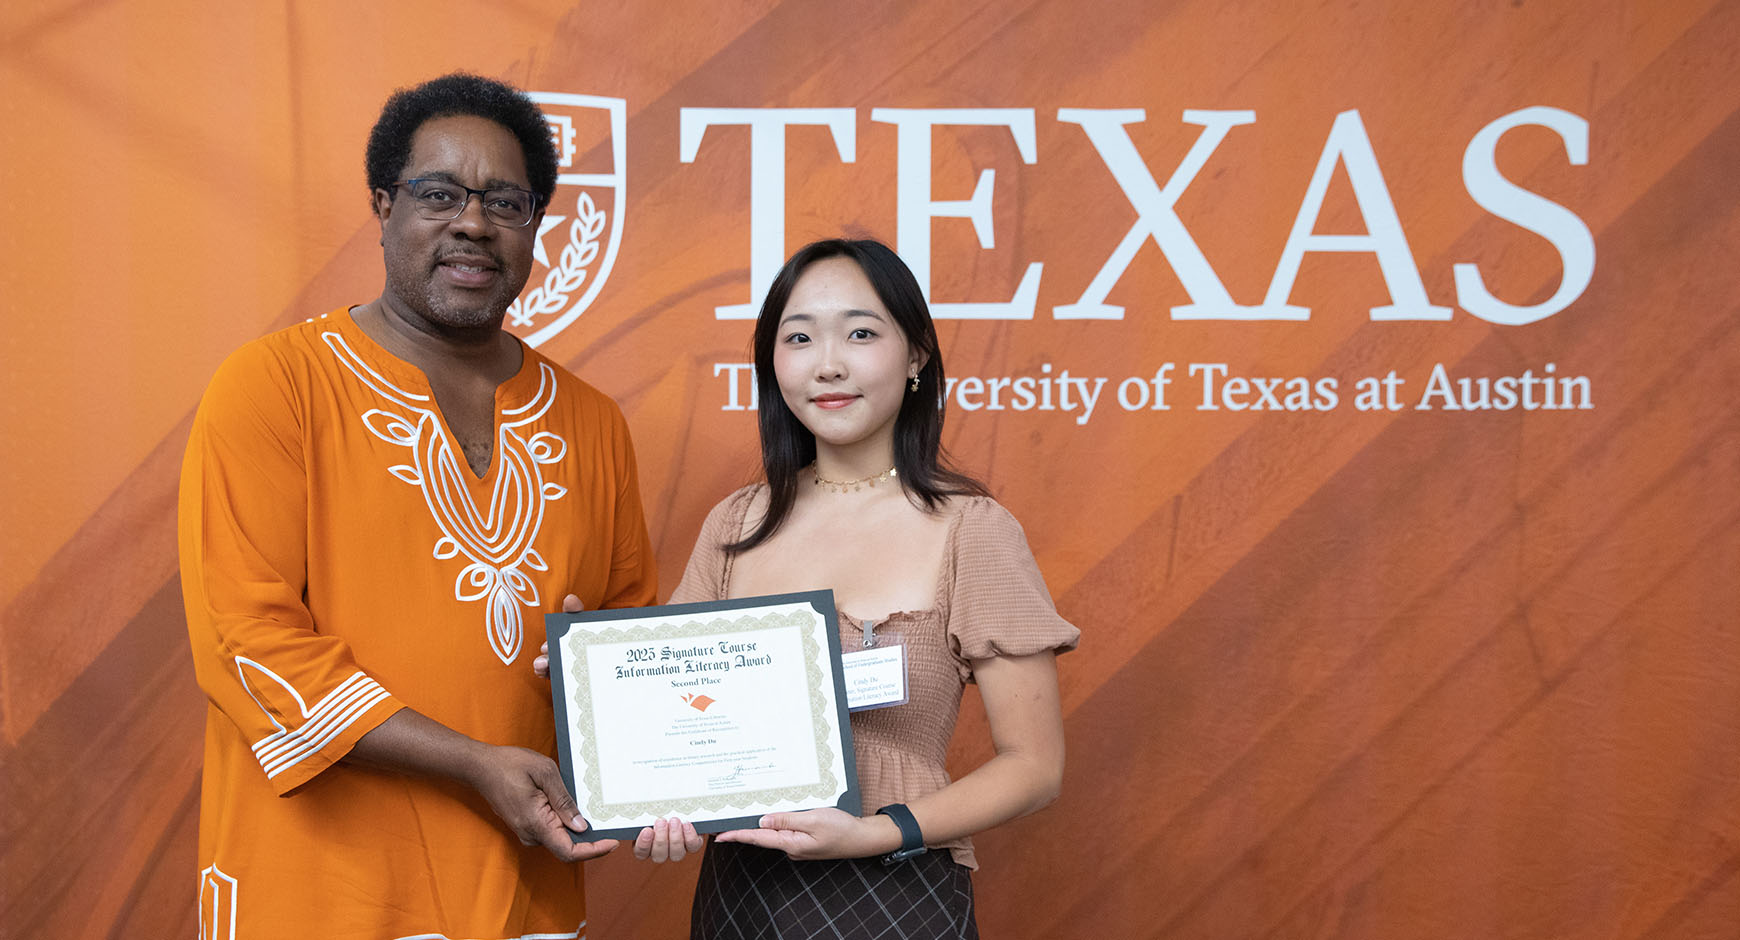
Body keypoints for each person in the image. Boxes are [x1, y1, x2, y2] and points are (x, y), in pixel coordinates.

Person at [178, 73, 656, 939]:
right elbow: (246, 643)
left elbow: (631, 624)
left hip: (524, 890)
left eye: (505, 202)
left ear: (536, 226)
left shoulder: (590, 422)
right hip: (321, 889)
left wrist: (608, 689)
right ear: (383, 204)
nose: (472, 222)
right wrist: (473, 762)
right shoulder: (274, 386)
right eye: (440, 194)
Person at [656, 238, 1078, 938]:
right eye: (799, 337)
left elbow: (1036, 768)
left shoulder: (973, 530)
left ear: (915, 356)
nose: (828, 364)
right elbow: (675, 717)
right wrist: (593, 680)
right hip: (742, 896)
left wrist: (875, 833)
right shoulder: (735, 524)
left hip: (895, 892)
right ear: (773, 363)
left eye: (860, 333)